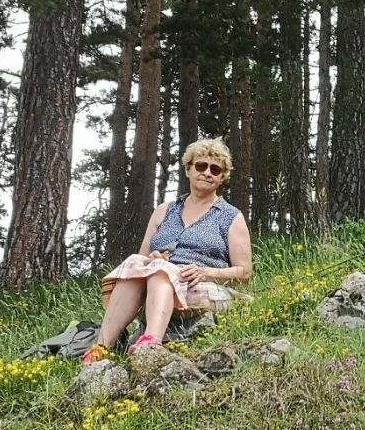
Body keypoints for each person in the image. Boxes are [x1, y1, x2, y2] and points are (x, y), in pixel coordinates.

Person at [83, 139, 253, 362]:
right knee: (138, 265)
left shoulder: (230, 216)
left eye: (216, 169)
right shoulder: (165, 211)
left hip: (203, 285)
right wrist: (153, 258)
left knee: (160, 272)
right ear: (188, 169)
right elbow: (142, 259)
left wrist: (207, 272)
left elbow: (245, 272)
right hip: (158, 280)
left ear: (222, 177)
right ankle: (101, 347)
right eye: (201, 166)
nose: (207, 173)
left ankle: (151, 341)